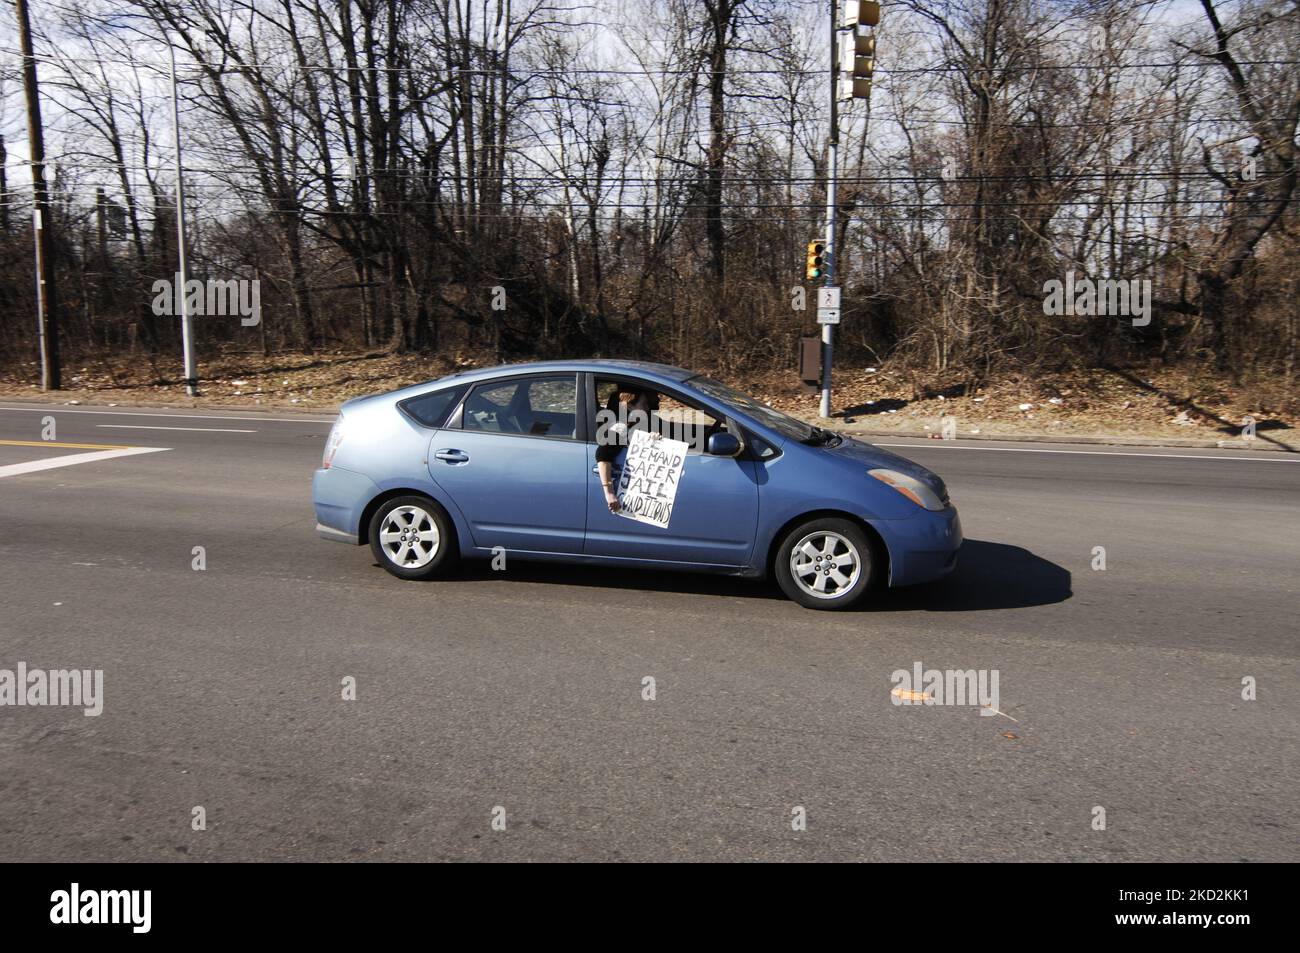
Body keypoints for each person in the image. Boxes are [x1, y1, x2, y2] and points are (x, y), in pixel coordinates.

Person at [596, 387, 659, 513]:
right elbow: (602, 456)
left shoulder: (637, 425)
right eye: (644, 404)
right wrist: (609, 493)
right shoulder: (619, 428)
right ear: (630, 406)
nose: (647, 408)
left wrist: (654, 440)